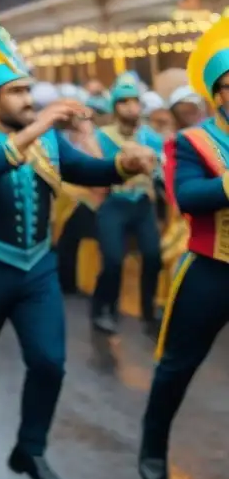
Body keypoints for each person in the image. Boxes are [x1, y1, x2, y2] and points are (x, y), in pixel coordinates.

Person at [0, 33, 155, 479]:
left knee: (50, 363)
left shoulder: (50, 142)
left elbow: (90, 171)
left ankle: (29, 449)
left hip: (37, 270)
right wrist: (43, 125)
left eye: (27, 90)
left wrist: (127, 165)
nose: (28, 99)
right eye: (16, 92)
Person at [139, 22, 229, 479]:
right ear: (216, 94)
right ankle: (153, 443)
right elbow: (187, 197)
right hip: (210, 271)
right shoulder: (191, 141)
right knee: (177, 365)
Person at [91, 73, 164, 334]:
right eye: (124, 102)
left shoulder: (151, 137)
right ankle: (103, 308)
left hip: (142, 203)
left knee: (154, 256)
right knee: (112, 261)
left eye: (135, 101)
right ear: (115, 107)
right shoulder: (101, 137)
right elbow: (93, 171)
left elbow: (162, 172)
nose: (131, 107)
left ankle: (148, 309)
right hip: (114, 203)